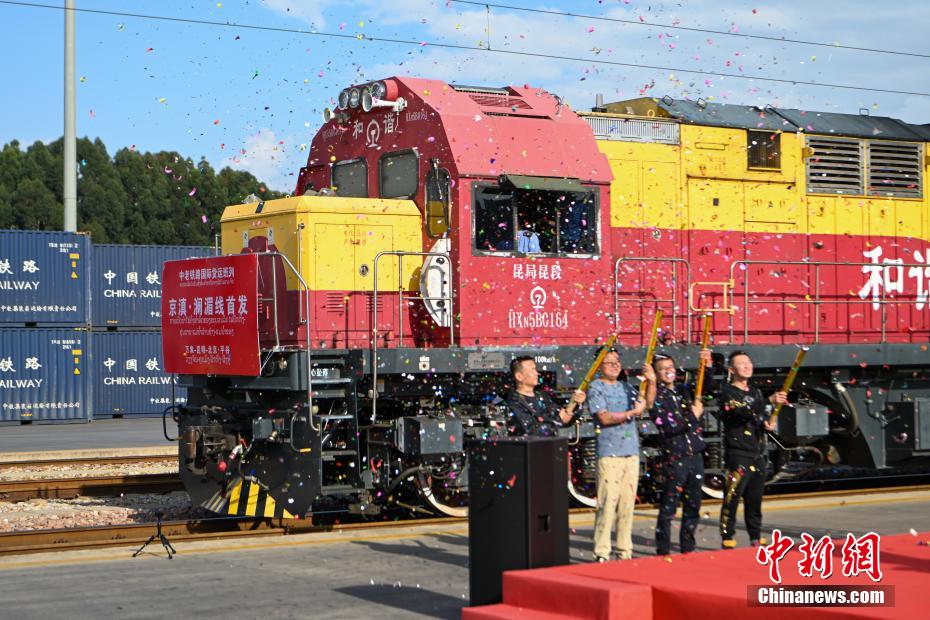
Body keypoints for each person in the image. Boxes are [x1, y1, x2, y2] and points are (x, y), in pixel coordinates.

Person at [643, 349, 712, 556]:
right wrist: (693, 416)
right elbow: (668, 427)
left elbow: (706, 391)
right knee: (668, 507)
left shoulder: (683, 390)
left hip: (695, 455)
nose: (668, 372)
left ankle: (688, 548)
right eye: (662, 369)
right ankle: (663, 549)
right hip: (674, 457)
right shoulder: (656, 397)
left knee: (693, 505)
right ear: (656, 373)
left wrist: (706, 368)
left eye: (670, 368)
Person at [717, 350, 787, 549]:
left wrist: (765, 423)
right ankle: (727, 536)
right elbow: (739, 411)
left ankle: (755, 536)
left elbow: (756, 416)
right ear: (732, 369)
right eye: (741, 363)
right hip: (738, 453)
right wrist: (768, 401)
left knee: (754, 499)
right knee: (732, 497)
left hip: (756, 452)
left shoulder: (754, 391)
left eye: (748, 362)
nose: (747, 366)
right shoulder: (727, 392)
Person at [587, 349, 646, 562]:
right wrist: (631, 413)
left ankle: (624, 550)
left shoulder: (627, 387)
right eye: (609, 362)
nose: (614, 365)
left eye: (617, 361)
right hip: (609, 454)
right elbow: (604, 418)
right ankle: (602, 552)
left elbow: (644, 402)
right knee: (607, 505)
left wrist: (652, 380)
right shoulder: (596, 388)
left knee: (627, 505)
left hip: (630, 452)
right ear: (599, 366)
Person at [505, 356, 585, 437]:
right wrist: (558, 420)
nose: (537, 373)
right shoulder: (514, 403)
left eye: (535, 369)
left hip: (551, 447)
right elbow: (530, 431)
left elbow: (564, 419)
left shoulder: (542, 397)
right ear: (519, 376)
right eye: (532, 370)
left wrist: (574, 404)